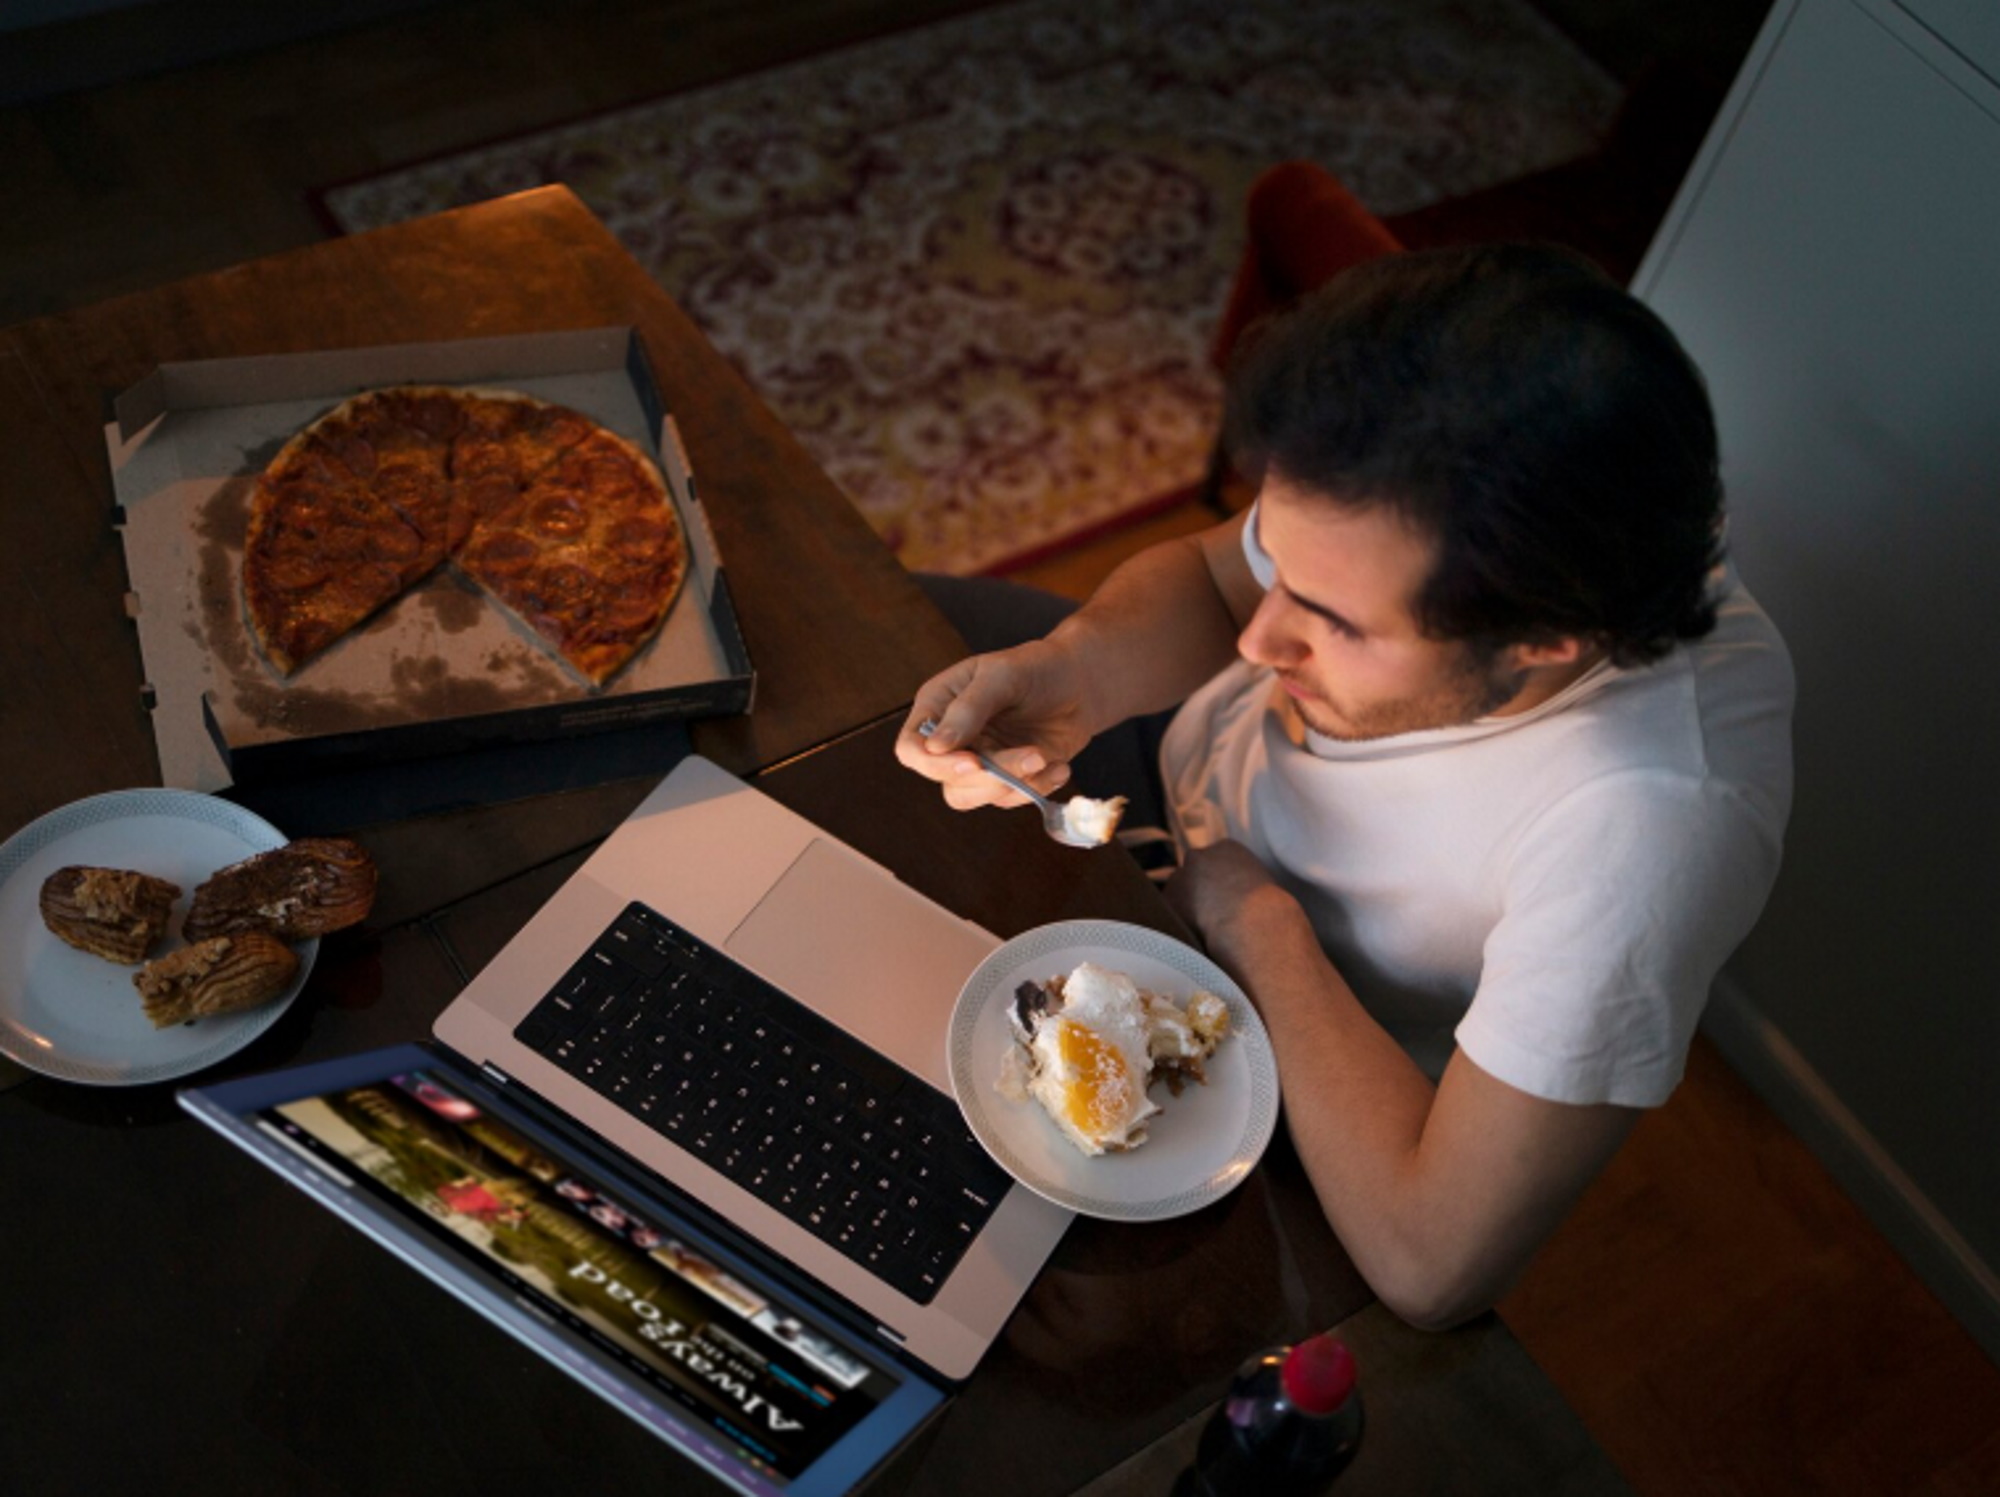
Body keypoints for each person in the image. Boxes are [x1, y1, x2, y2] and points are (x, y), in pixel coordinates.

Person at [895, 243, 1794, 1331]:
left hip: (1296, 1053)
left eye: (1332, 624)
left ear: (1548, 642)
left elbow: (1430, 1263)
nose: (1261, 638)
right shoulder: (1456, 493)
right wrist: (1075, 673)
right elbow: (1217, 582)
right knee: (866, 665)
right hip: (1163, 791)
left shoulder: (1645, 832)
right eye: (1284, 558)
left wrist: (1251, 917)